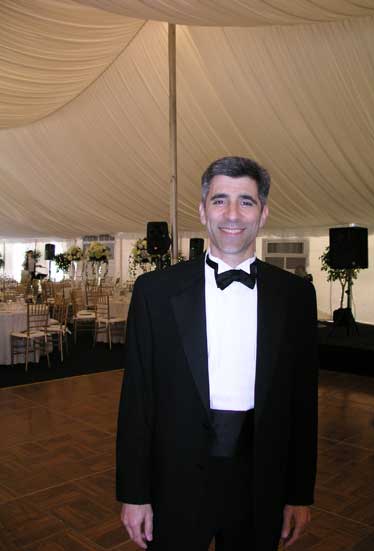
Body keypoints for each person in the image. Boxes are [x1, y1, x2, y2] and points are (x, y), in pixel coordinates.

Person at [116, 156, 319, 551]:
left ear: (263, 213)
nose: (232, 214)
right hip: (175, 481)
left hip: (261, 483)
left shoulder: (295, 297)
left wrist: (299, 494)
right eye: (220, 200)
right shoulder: (155, 292)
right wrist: (134, 493)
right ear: (202, 210)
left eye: (246, 201)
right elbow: (137, 400)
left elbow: (303, 404)